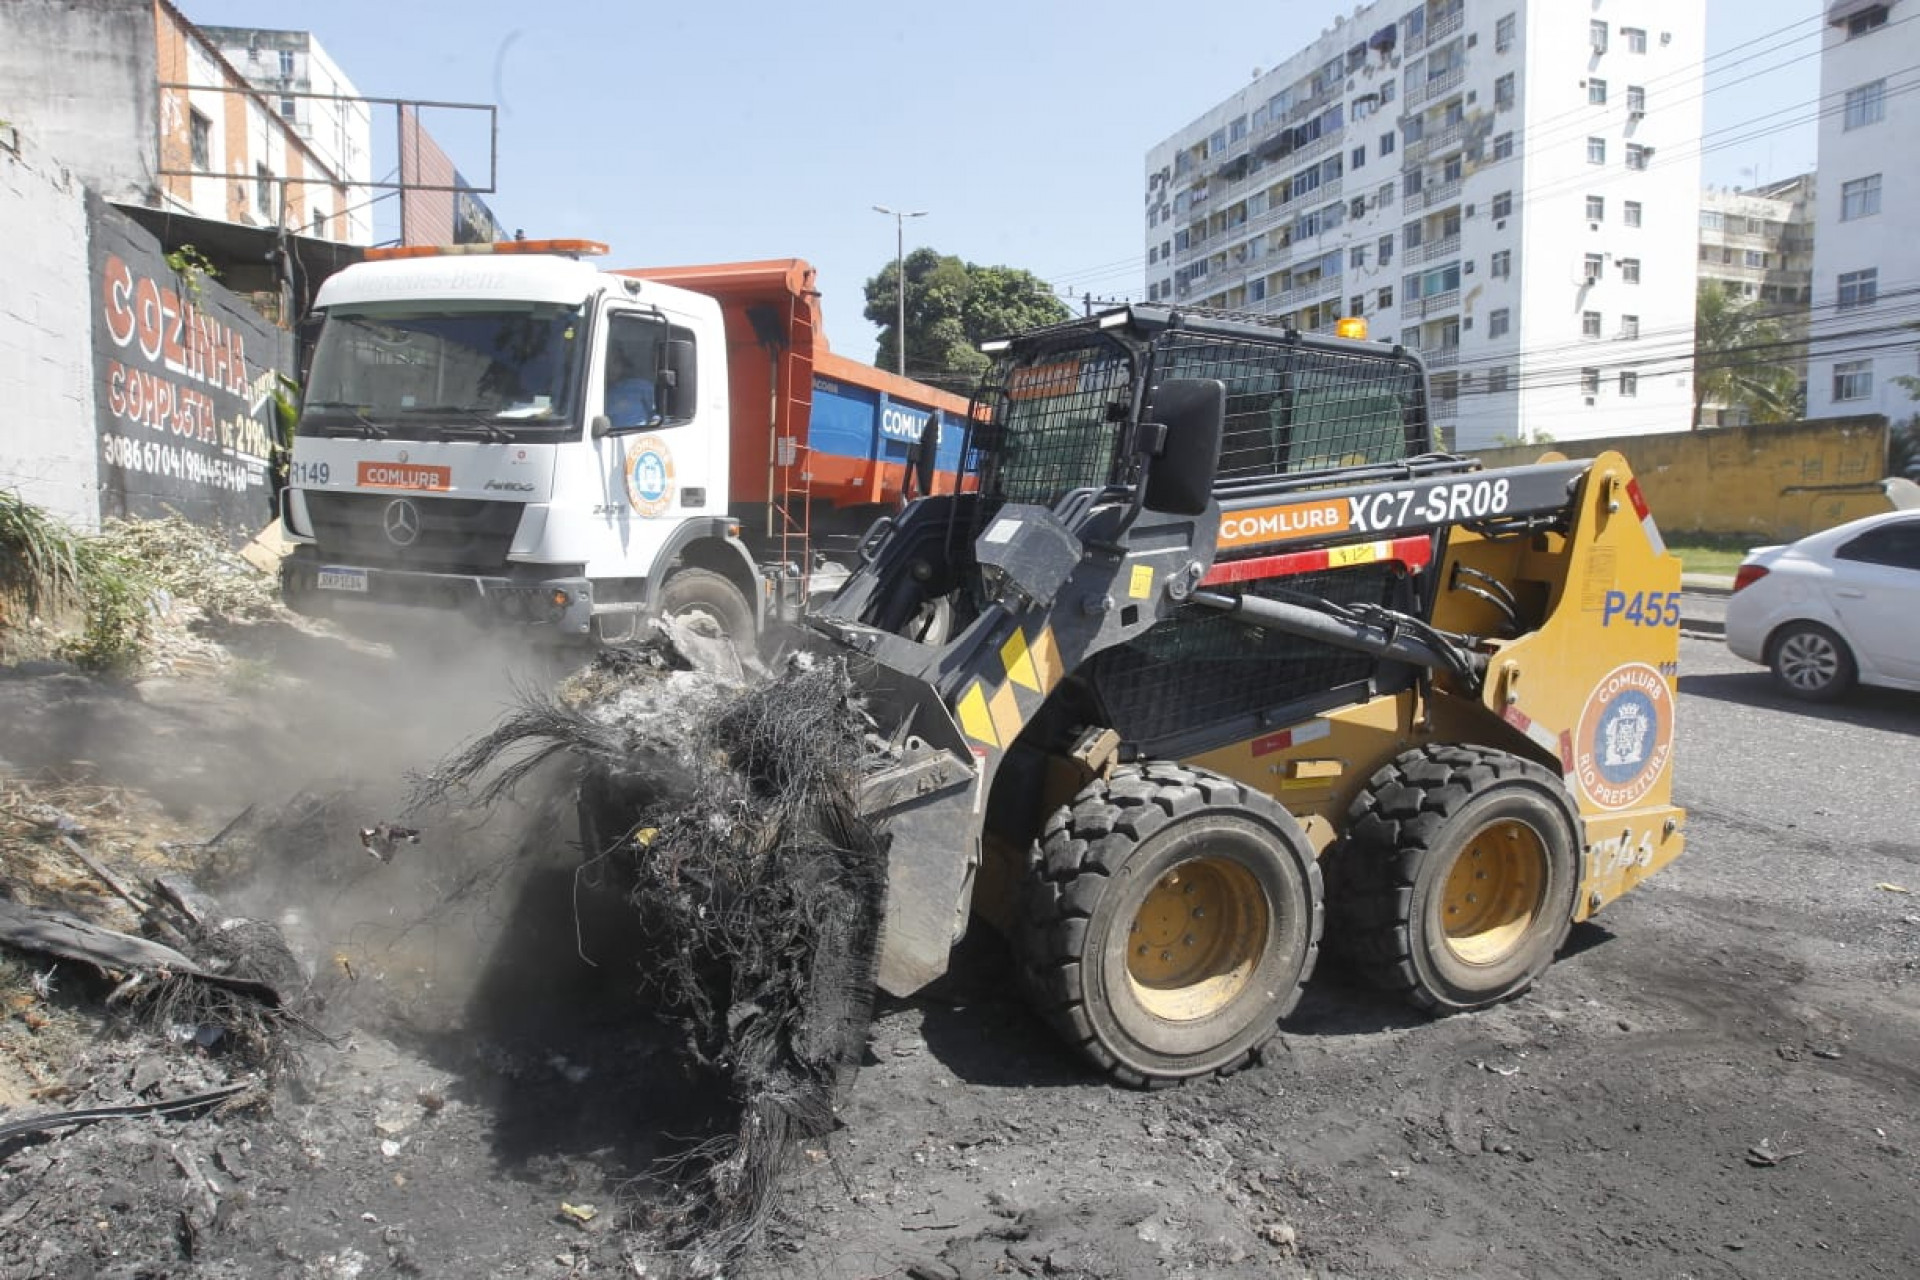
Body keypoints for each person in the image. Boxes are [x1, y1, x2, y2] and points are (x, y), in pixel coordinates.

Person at [605, 349, 656, 428]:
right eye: (607, 363)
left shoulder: (640, 386)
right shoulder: (598, 393)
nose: (611, 367)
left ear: (622, 364)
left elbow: (658, 416)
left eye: (615, 362)